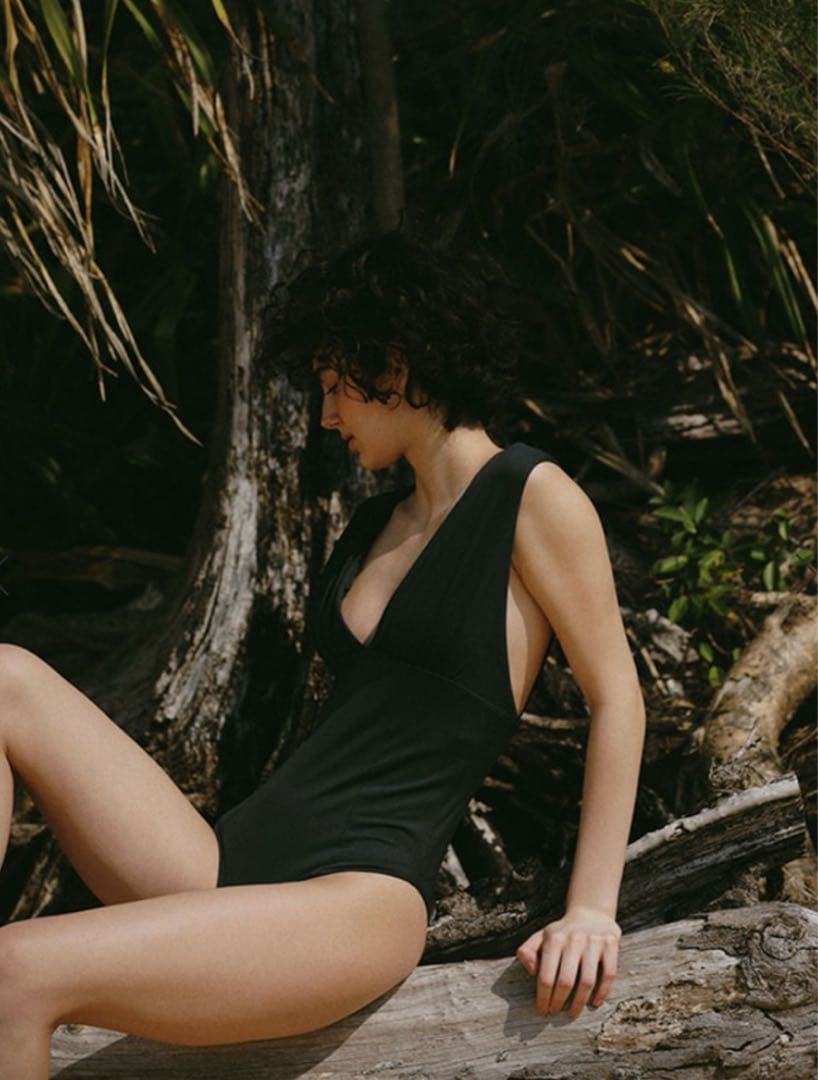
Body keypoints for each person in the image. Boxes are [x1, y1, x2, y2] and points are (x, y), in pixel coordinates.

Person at [0, 227, 645, 1076]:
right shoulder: (377, 523)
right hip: (231, 860)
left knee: (15, 969)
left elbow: (617, 697)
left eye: (337, 385)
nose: (325, 414)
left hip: (356, 900)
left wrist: (592, 908)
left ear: (399, 367)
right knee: (6, 677)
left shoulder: (532, 496)